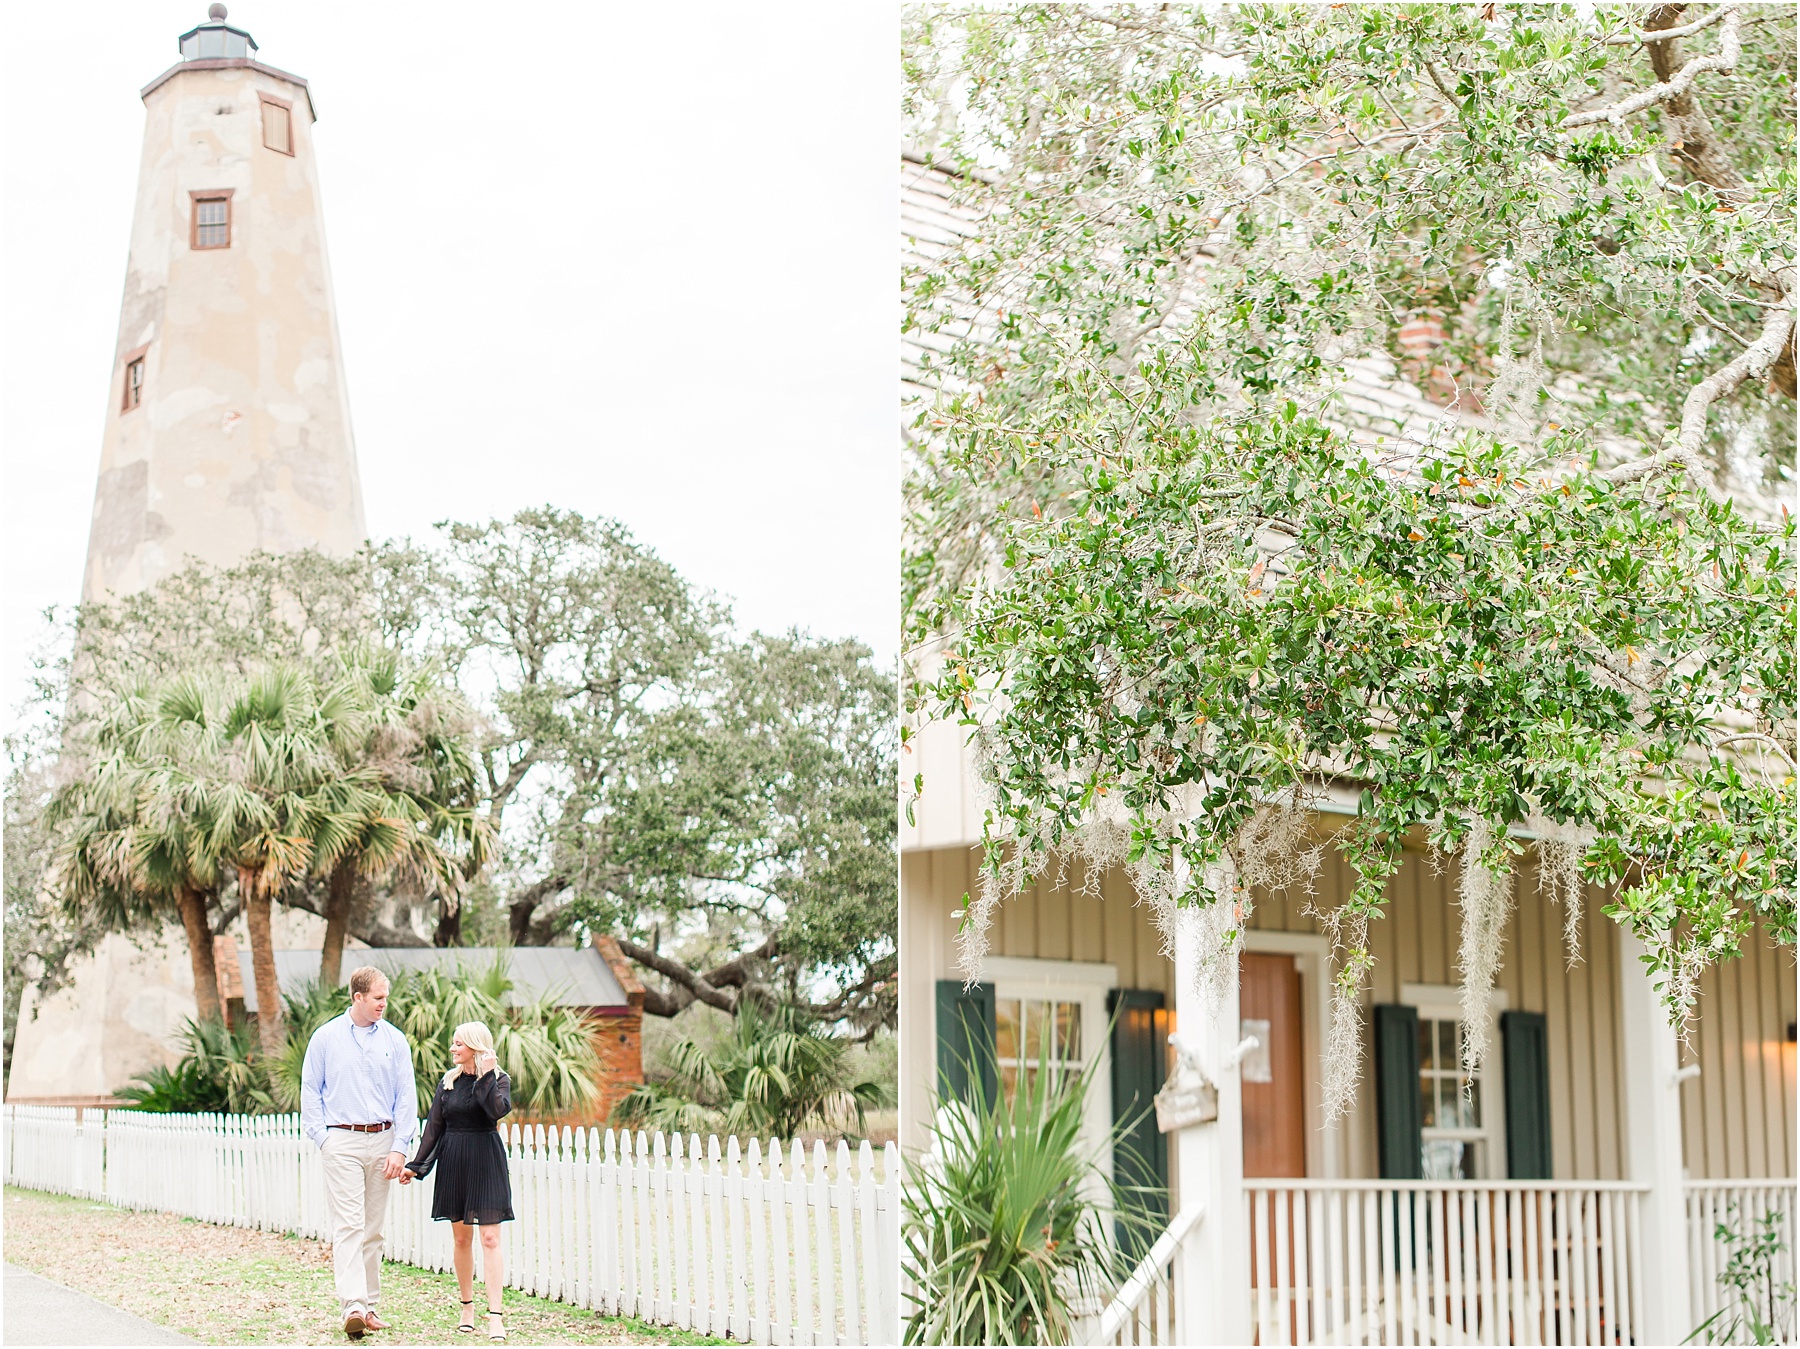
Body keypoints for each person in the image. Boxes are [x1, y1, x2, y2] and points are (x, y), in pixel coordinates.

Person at [300, 966, 418, 1341]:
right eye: (379, 998)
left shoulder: (396, 1041)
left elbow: (406, 1098)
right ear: (358, 998)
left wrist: (400, 1147)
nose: (385, 1003)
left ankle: (369, 1307)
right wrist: (324, 1138)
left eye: (386, 997)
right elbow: (310, 1091)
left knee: (374, 1228)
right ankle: (352, 1304)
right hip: (342, 1142)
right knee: (348, 1223)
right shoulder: (325, 1038)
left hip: (384, 1141)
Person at [401, 1021, 514, 1341]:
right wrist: (417, 1165)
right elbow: (434, 1128)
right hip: (454, 1160)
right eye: (453, 1043)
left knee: (490, 1239)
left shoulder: (499, 1080)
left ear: (476, 1047)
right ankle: (467, 1307)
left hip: (486, 1160)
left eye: (459, 1044)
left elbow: (495, 1111)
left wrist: (487, 1075)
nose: (452, 1049)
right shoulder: (447, 1083)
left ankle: (495, 1316)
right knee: (462, 1239)